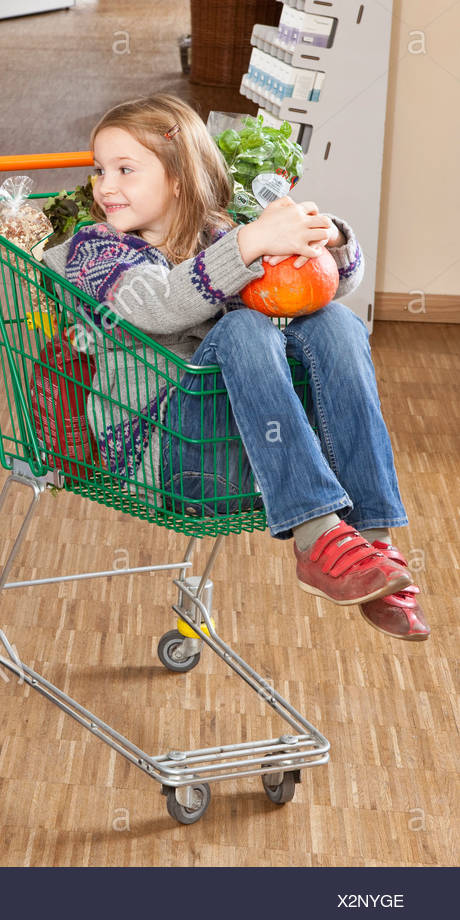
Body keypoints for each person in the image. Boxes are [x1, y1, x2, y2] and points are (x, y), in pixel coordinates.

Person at [41, 93, 427, 640]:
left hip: (258, 458)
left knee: (335, 323)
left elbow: (324, 284)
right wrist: (250, 244)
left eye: (125, 169)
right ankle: (317, 534)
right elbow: (156, 305)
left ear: (179, 177)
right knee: (243, 327)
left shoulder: (224, 234)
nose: (105, 186)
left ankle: (373, 541)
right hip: (168, 453)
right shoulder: (98, 251)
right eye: (100, 169)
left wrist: (328, 239)